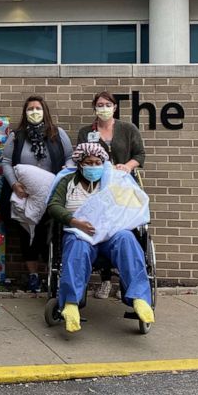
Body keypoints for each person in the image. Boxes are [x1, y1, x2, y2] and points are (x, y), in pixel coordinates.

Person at [45, 141, 154, 333]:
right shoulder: (68, 181)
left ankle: (139, 298)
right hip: (81, 233)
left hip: (110, 234)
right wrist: (75, 221)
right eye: (89, 162)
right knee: (77, 246)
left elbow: (130, 204)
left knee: (126, 238)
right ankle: (71, 303)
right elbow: (54, 205)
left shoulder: (113, 181)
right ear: (80, 164)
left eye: (97, 163)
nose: (93, 166)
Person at [75, 90, 146, 299]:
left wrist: (127, 166)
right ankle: (105, 280)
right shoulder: (86, 132)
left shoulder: (127, 129)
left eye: (108, 104)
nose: (104, 108)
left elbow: (140, 154)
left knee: (124, 229)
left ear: (114, 107)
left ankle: (129, 281)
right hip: (95, 187)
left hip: (122, 186)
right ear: (94, 108)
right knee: (100, 227)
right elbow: (80, 155)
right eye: (100, 104)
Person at [0, 95, 74, 293]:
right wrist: (14, 184)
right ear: (25, 113)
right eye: (30, 109)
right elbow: (6, 162)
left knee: (48, 233)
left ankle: (51, 274)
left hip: (52, 194)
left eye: (38, 108)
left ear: (45, 111)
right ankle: (33, 276)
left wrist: (63, 177)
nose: (34, 112)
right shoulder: (16, 136)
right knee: (27, 234)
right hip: (25, 195)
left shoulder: (58, 134)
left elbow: (70, 158)